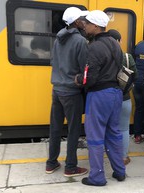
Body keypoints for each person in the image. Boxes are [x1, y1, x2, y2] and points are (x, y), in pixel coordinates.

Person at [75, 10, 125, 186]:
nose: (85, 26)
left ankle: (97, 177)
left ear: (95, 26)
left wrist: (79, 79)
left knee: (95, 136)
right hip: (116, 94)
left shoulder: (94, 47)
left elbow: (90, 78)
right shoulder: (115, 44)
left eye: (87, 23)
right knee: (113, 133)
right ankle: (119, 171)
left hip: (99, 95)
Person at [46, 7, 88, 177]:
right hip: (71, 92)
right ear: (76, 22)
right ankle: (70, 167)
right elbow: (84, 69)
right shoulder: (80, 41)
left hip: (56, 90)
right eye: (82, 19)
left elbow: (52, 62)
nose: (85, 22)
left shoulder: (58, 39)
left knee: (55, 128)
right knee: (73, 130)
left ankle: (51, 163)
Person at [108, 29, 137, 165]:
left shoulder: (102, 55)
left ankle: (109, 153)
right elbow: (135, 76)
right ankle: (123, 157)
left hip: (106, 98)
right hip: (124, 97)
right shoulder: (127, 57)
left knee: (107, 127)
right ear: (119, 41)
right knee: (124, 128)